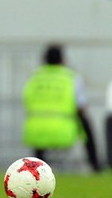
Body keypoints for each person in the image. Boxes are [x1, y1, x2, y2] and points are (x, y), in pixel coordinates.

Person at [22, 44, 101, 172]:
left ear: (44, 59)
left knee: (40, 129)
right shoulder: (70, 77)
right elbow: (81, 105)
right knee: (85, 123)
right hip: (63, 130)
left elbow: (26, 100)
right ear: (63, 59)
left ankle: (36, 168)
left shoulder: (34, 77)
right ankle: (95, 165)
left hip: (35, 131)